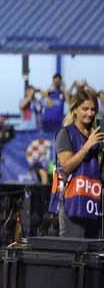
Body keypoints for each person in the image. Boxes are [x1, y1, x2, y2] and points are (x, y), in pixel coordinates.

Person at [55, 89, 103, 238]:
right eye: (85, 109)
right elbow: (66, 166)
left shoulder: (96, 135)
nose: (89, 113)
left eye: (93, 109)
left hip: (93, 202)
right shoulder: (66, 133)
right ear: (75, 110)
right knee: (73, 252)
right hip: (73, 204)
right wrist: (87, 146)